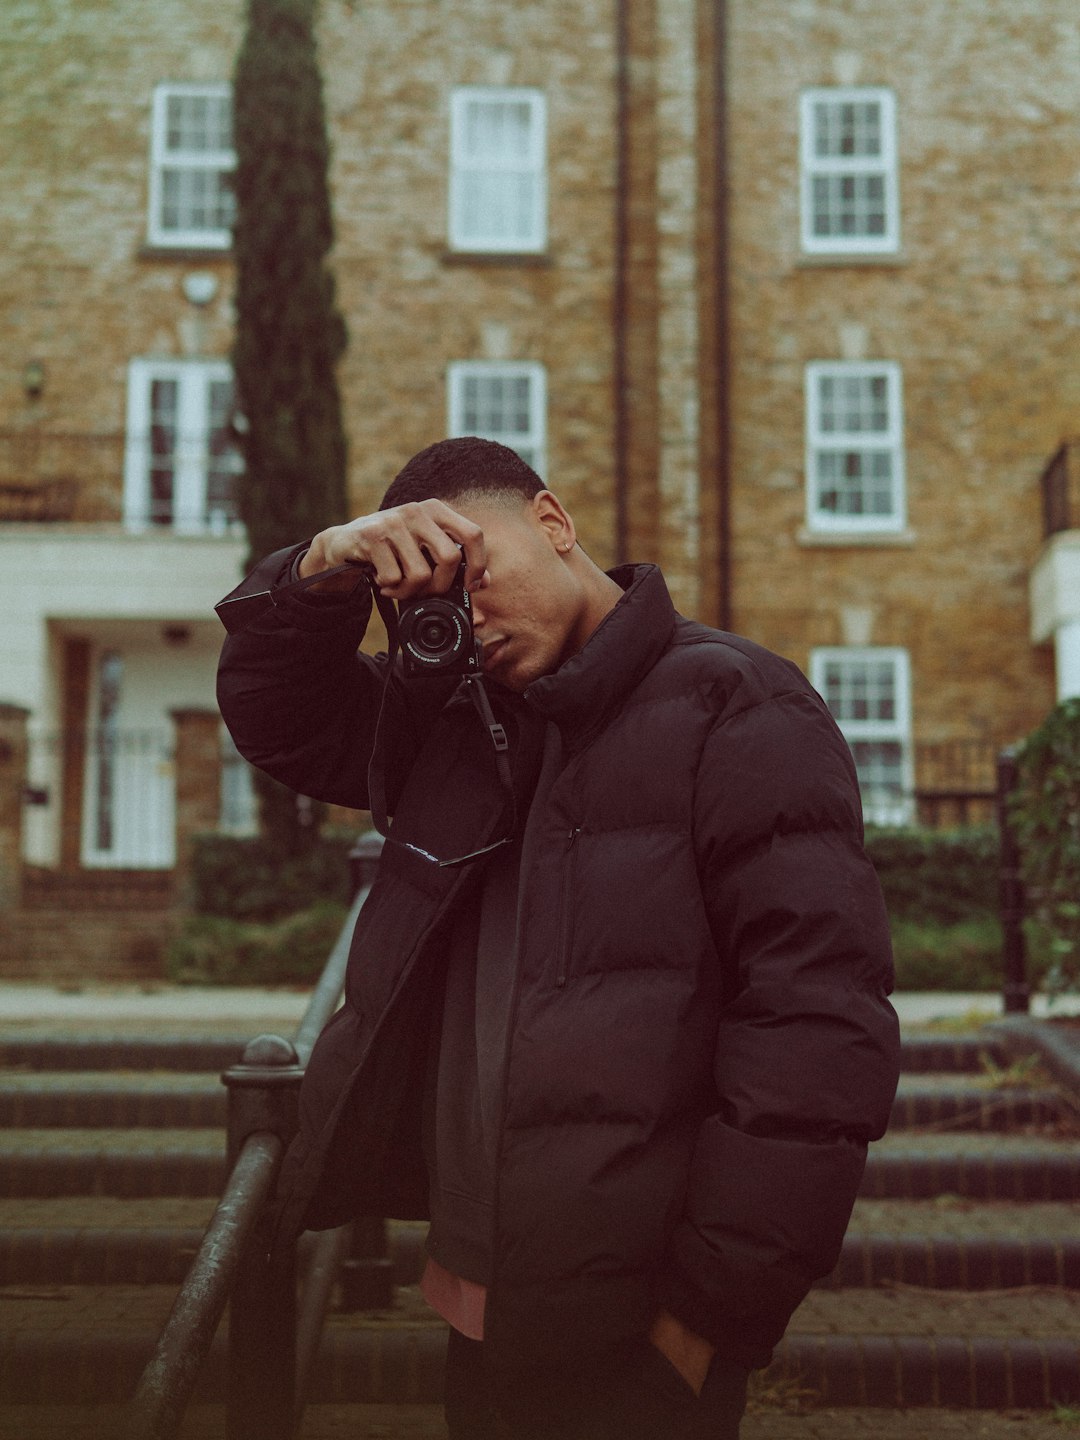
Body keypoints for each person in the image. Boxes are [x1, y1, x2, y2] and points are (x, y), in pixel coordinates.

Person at [216, 435, 900, 1440]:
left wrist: (708, 1316)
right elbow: (280, 718)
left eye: (479, 572)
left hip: (643, 1330)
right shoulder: (455, 724)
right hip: (481, 1298)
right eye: (436, 603)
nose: (469, 615)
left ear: (554, 523)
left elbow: (815, 1026)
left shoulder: (736, 701)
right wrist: (327, 563)